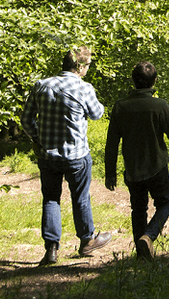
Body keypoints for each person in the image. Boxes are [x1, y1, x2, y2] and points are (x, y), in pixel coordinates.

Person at [22, 46, 114, 265]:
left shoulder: (41, 85)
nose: (88, 69)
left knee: (51, 198)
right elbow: (97, 113)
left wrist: (38, 138)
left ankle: (51, 249)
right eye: (88, 65)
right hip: (77, 156)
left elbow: (26, 120)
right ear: (80, 66)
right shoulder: (84, 87)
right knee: (80, 197)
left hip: (47, 155)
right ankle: (86, 240)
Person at [103, 60, 169, 259]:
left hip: (133, 169)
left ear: (133, 81)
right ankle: (148, 236)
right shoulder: (159, 106)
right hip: (157, 166)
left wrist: (110, 173)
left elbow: (111, 143)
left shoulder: (121, 107)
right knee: (165, 203)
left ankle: (141, 255)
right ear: (154, 81)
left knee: (138, 209)